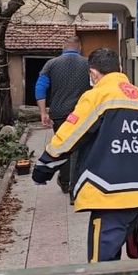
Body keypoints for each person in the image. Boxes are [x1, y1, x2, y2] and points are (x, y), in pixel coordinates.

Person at [32, 48, 138, 275]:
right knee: (106, 262)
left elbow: (68, 136)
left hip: (109, 195)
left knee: (102, 271)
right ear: (120, 68)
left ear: (93, 73)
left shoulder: (97, 96)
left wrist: (43, 167)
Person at [35, 35, 90, 194]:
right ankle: (78, 182)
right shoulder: (88, 64)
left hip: (59, 114)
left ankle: (65, 182)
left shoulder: (51, 64)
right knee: (80, 147)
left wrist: (43, 113)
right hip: (82, 114)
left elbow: (40, 88)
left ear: (63, 47)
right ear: (79, 47)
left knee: (64, 146)